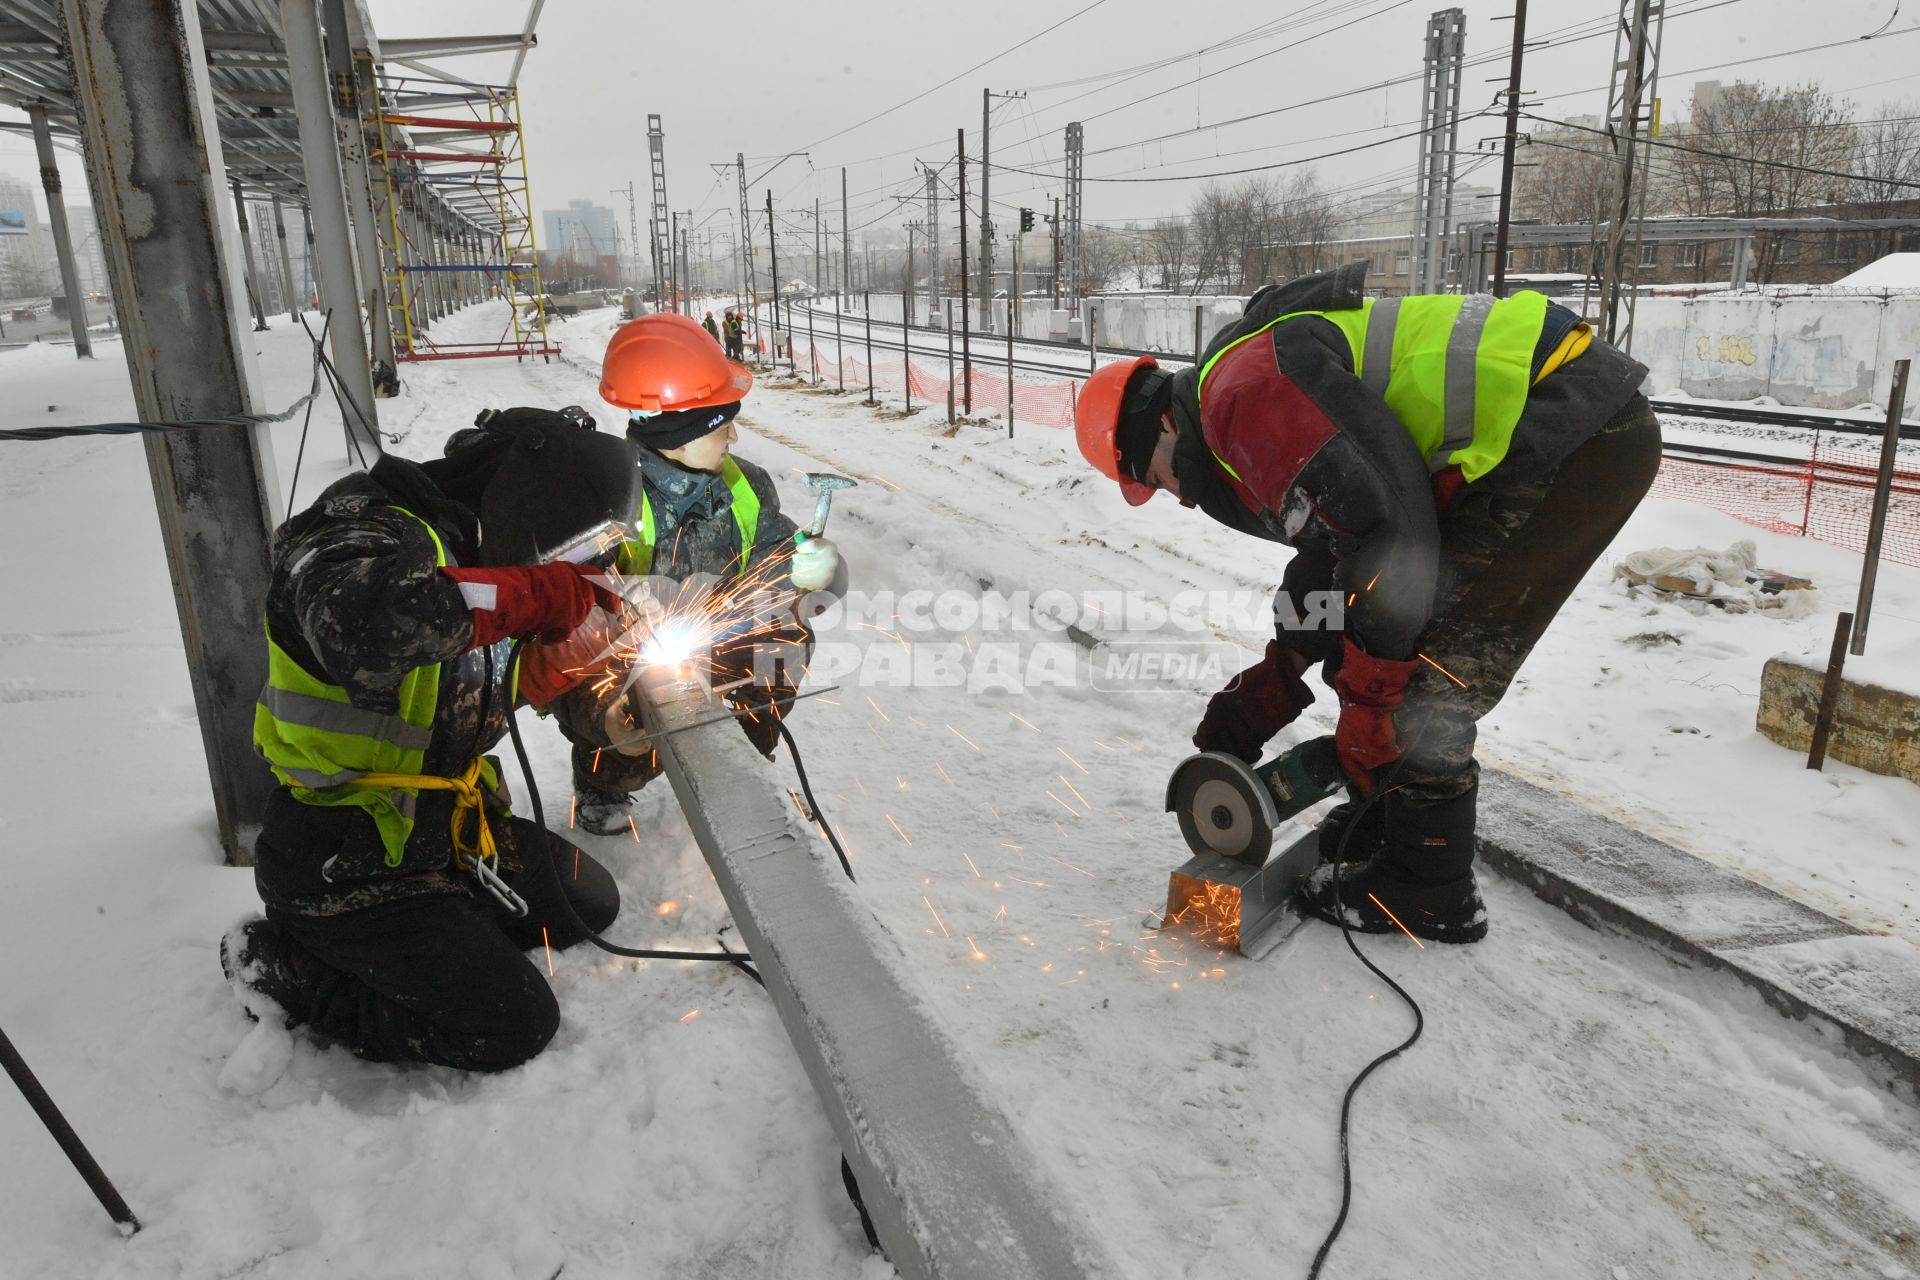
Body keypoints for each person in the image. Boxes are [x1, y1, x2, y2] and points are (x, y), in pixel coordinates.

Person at [1073, 264, 1660, 944]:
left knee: (1426, 676)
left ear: (1166, 427)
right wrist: (1282, 669)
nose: (1175, 496)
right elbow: (1336, 545)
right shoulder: (1233, 393)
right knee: (1378, 639)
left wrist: (1371, 699)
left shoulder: (1241, 400)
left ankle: (1428, 888)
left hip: (1574, 430)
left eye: (1156, 477)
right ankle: (1392, 825)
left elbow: (1391, 535)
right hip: (1552, 418)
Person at [223, 408, 642, 1070]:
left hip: (441, 832)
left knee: (587, 902)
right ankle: (284, 962)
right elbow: (363, 629)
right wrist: (533, 597)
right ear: (527, 502)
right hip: (345, 857)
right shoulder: (354, 532)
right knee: (513, 1025)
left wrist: (578, 681)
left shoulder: (475, 552)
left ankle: (445, 923)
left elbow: (453, 695)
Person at [556, 312, 845, 836]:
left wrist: (818, 570)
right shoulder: (606, 501)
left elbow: (776, 567)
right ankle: (605, 780)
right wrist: (603, 714)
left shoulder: (746, 485)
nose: (734, 434)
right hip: (632, 657)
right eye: (721, 423)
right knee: (627, 716)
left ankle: (743, 758)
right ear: (680, 431)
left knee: (785, 632)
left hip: (714, 639)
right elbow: (564, 641)